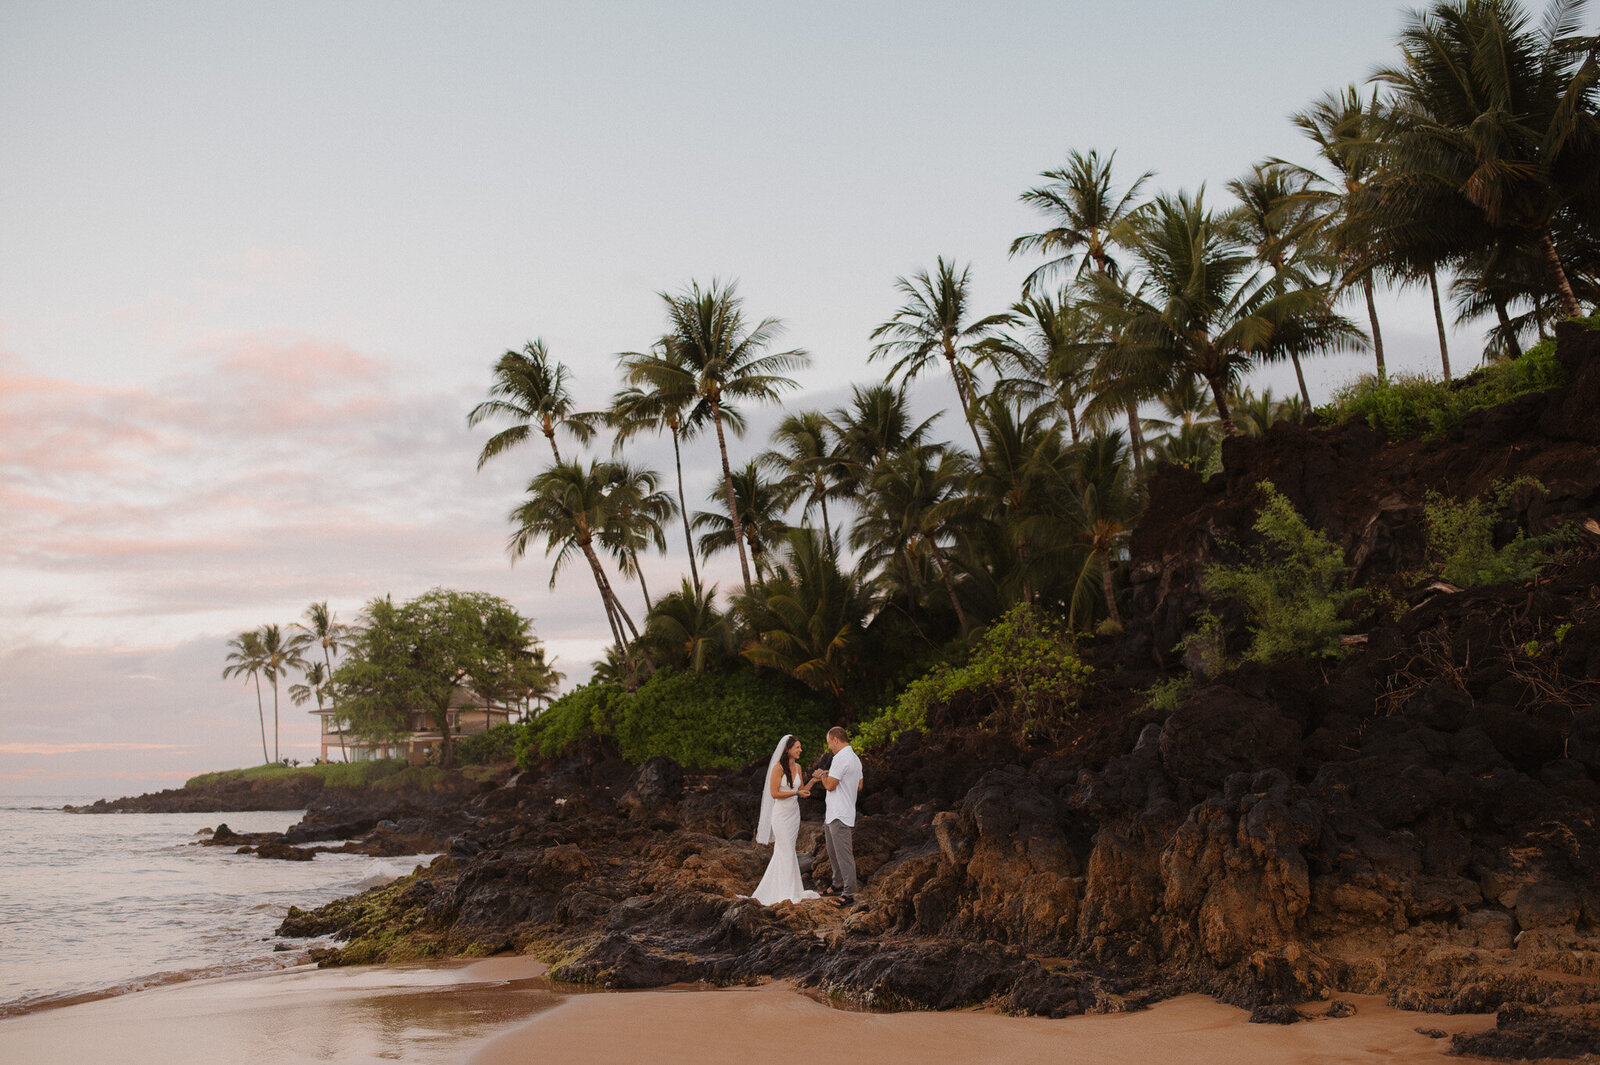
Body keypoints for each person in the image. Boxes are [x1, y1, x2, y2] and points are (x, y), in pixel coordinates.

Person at [748, 734, 820, 906]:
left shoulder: (798, 767)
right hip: (780, 815)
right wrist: (795, 793)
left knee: (785, 851)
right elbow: (775, 794)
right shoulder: (778, 768)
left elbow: (801, 790)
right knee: (786, 850)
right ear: (788, 749)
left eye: (800, 747)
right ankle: (786, 892)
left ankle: (786, 889)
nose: (800, 750)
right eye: (797, 747)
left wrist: (814, 781)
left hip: (794, 814)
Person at [812, 726, 862, 907]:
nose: (829, 748)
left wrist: (822, 775)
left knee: (843, 854)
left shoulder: (841, 758)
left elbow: (830, 786)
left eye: (829, 743)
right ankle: (837, 884)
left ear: (835, 740)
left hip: (840, 813)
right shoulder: (855, 758)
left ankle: (849, 893)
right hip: (835, 812)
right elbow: (859, 786)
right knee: (833, 853)